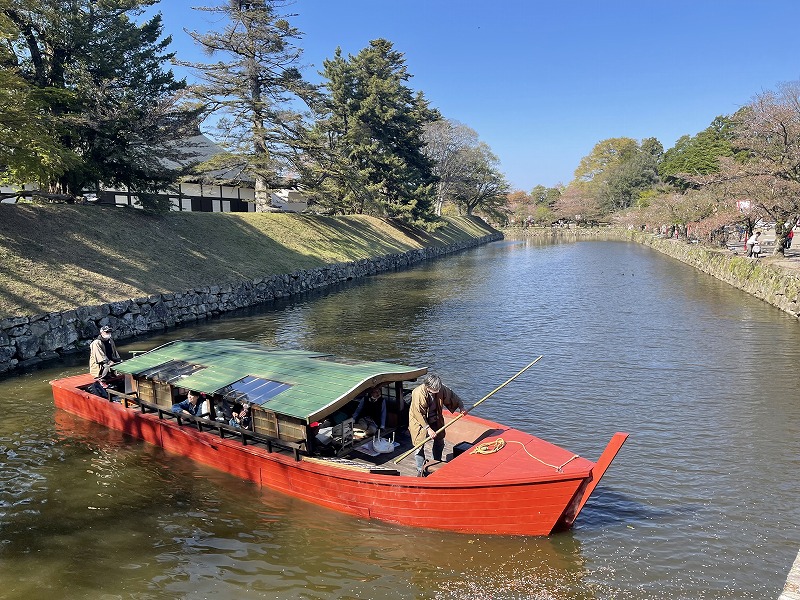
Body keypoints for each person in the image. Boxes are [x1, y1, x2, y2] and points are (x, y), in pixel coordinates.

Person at [408, 373, 466, 477]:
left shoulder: (440, 388)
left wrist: (461, 407)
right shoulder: (418, 393)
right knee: (419, 446)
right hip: (419, 422)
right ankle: (420, 469)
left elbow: (452, 396)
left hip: (435, 418)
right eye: (436, 389)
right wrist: (428, 429)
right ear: (428, 387)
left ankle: (436, 461)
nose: (438, 391)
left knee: (439, 440)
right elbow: (418, 414)